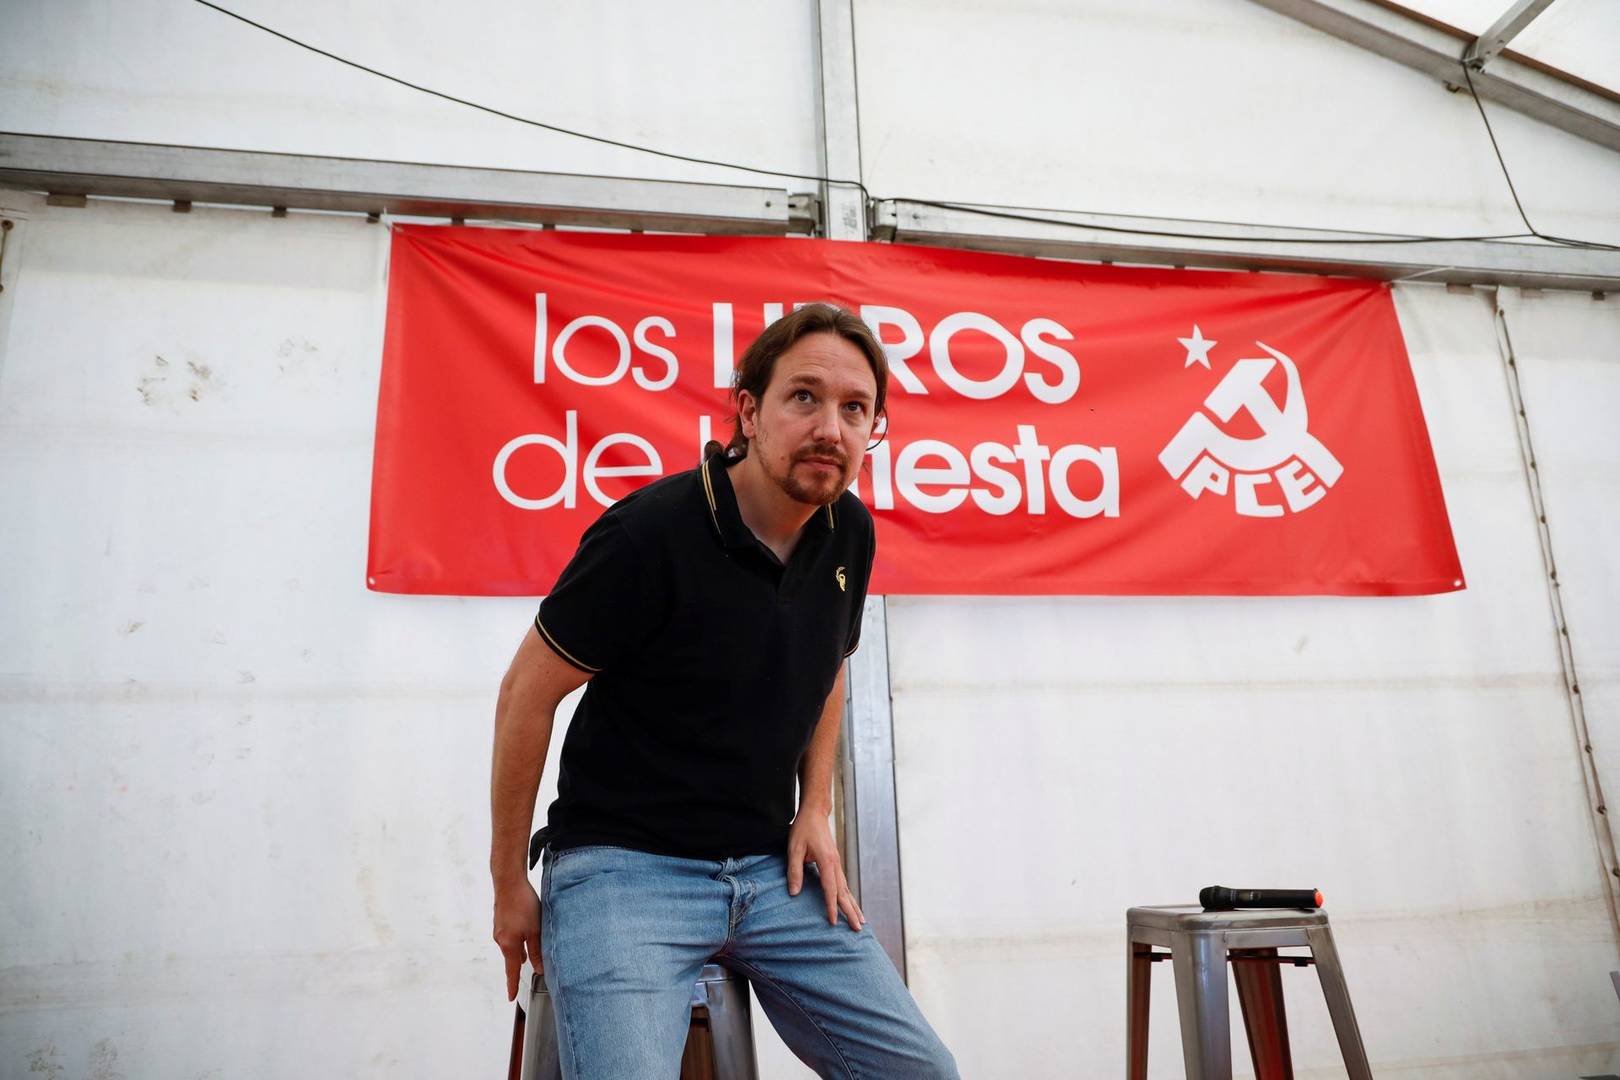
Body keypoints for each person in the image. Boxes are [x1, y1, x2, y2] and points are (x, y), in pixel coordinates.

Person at [489, 303, 959, 1079]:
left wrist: (815, 808)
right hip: (623, 868)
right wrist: (508, 881)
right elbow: (524, 696)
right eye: (804, 397)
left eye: (855, 409)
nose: (830, 429)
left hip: (771, 870)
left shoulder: (848, 529)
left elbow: (829, 666)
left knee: (924, 1073)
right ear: (748, 410)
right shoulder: (647, 535)